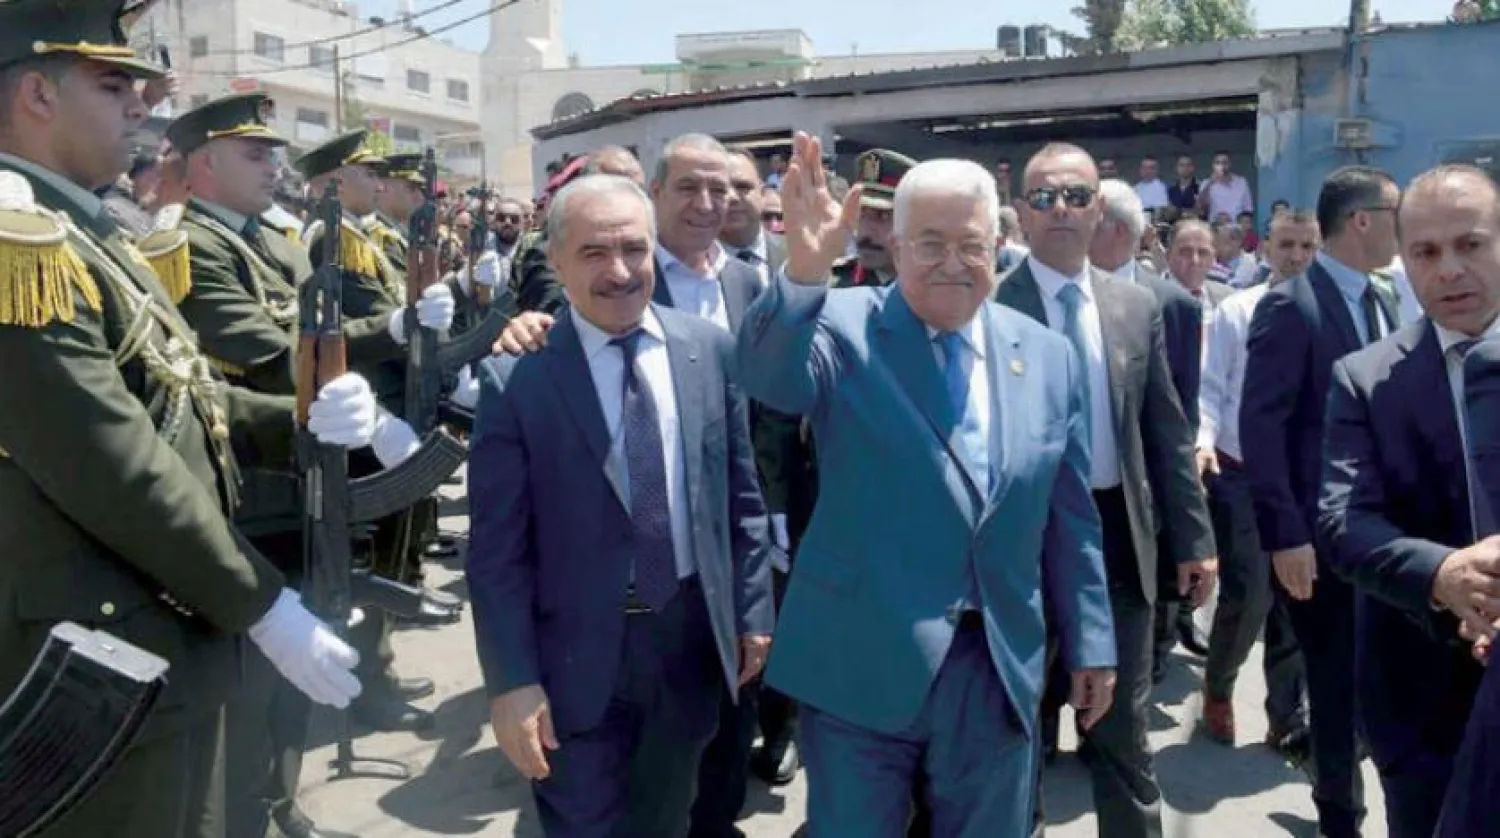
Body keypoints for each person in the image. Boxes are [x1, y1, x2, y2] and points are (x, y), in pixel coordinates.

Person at [0, 4, 382, 833]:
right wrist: (263, 604)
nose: (140, 107)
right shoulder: (16, 243)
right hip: (99, 650)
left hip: (164, 620)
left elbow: (181, 396)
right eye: (114, 87)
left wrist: (301, 423)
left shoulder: (83, 229)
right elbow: (110, 459)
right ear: (36, 94)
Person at [736, 131, 1118, 837]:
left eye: (970, 245)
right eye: (930, 244)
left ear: (998, 245)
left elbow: (1070, 515)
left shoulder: (1047, 355)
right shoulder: (843, 325)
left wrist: (1092, 639)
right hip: (862, 660)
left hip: (995, 663)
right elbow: (768, 378)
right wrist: (803, 272)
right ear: (898, 245)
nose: (952, 263)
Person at [467, 173, 775, 837]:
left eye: (634, 249)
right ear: (555, 261)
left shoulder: (708, 350)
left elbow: (740, 497)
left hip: (688, 642)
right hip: (572, 661)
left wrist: (751, 611)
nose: (619, 271)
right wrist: (511, 681)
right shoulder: (518, 378)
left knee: (667, 820)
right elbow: (495, 555)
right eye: (594, 253)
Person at [996, 143, 1217, 838]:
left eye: (1076, 195)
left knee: (1123, 730)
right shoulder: (990, 302)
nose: (1060, 209)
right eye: (1043, 197)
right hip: (1021, 541)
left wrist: (1195, 538)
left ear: (1100, 209)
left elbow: (1165, 428)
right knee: (1016, 730)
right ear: (1022, 213)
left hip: (1119, 535)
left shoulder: (1132, 305)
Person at [1318, 164, 1499, 838]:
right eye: (1425, 252)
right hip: (1426, 701)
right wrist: (1442, 574)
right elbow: (1343, 522)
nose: (1449, 269)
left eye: (1470, 244)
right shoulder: (1364, 380)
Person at [1241, 165, 1404, 838]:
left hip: (1386, 533)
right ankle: (1340, 818)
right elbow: (1262, 429)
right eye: (1396, 214)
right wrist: (1286, 535)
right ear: (1362, 220)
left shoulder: (1385, 299)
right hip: (1320, 541)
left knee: (1385, 684)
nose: (1403, 229)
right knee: (1334, 688)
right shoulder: (1292, 306)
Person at [296, 129, 458, 732]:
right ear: (333, 182)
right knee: (369, 557)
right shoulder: (331, 238)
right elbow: (352, 323)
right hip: (360, 411)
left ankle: (377, 668)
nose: (379, 183)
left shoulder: (368, 237)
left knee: (391, 548)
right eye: (366, 174)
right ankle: (366, 684)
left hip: (384, 403)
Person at [1195, 210, 1318, 760]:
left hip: (1301, 478)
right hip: (1241, 471)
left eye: (1307, 246)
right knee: (1248, 593)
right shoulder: (1237, 312)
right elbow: (1210, 386)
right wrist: (1202, 440)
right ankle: (1219, 687)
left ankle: (1285, 716)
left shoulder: (1324, 315)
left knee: (1297, 593)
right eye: (1286, 244)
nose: (1296, 256)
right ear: (1265, 248)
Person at [831, 148, 916, 288]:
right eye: (860, 213)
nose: (866, 230)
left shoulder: (943, 288)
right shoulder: (831, 289)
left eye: (883, 215)